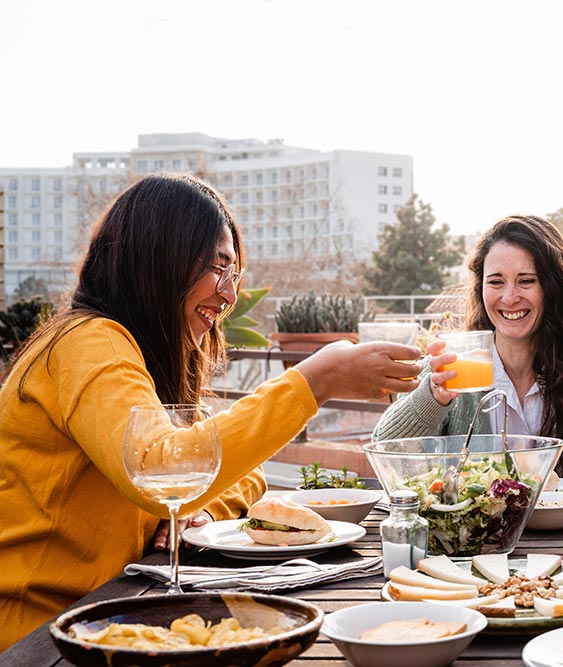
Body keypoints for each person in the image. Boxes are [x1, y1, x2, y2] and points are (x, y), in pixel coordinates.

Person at [0, 173, 421, 650]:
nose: (229, 294)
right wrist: (315, 381)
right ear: (160, 261)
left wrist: (193, 506)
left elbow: (241, 472)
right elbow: (156, 467)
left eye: (234, 274)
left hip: (114, 619)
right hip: (36, 638)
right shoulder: (88, 343)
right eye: (218, 268)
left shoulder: (144, 362)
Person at [372, 214, 563, 482]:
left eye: (526, 281)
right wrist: (432, 398)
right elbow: (383, 452)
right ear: (480, 288)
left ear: (553, 288)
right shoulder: (450, 367)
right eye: (496, 282)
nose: (510, 297)